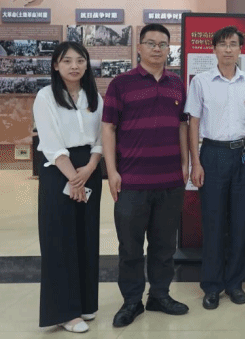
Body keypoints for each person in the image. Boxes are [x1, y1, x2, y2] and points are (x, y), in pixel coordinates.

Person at [102, 24, 190, 328]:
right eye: (151, 43)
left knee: (164, 245)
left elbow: (182, 125)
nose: (157, 49)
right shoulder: (121, 84)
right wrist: (111, 171)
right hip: (132, 182)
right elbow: (108, 128)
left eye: (163, 44)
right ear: (139, 48)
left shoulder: (176, 84)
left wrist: (185, 163)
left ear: (169, 50)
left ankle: (160, 295)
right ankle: (131, 301)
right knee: (130, 247)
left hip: (169, 181)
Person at [185, 26, 245, 310]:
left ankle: (235, 283)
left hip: (243, 154)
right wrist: (196, 162)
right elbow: (193, 123)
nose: (228, 49)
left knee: (240, 221)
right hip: (212, 154)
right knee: (214, 222)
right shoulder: (201, 82)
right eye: (223, 44)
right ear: (213, 49)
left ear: (241, 49)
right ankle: (212, 286)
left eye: (233, 44)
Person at [35, 41, 103, 333]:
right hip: (58, 171)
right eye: (67, 61)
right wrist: (74, 178)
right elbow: (50, 143)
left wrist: (89, 169)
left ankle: (85, 303)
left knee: (86, 236)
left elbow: (100, 138)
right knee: (60, 241)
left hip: (89, 168)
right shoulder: (46, 96)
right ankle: (65, 312)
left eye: (80, 60)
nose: (74, 66)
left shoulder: (93, 96)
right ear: (55, 65)